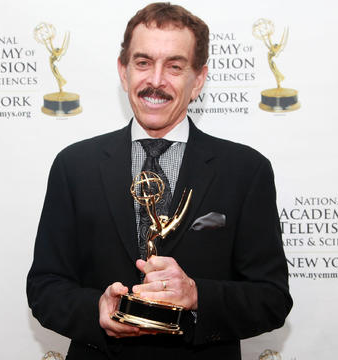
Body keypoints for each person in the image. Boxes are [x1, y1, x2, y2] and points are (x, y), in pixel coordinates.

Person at [27, 3, 292, 359]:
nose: (155, 80)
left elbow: (272, 298)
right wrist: (98, 310)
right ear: (123, 72)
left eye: (174, 66)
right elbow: (45, 287)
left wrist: (197, 294)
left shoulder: (245, 170)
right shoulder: (74, 166)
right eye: (143, 62)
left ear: (198, 80)